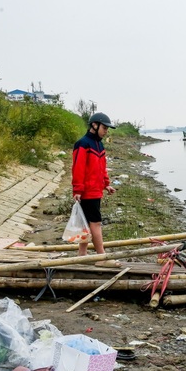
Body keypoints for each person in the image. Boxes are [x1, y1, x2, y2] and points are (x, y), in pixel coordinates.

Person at [72, 112, 118, 265]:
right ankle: (101, 258)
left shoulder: (99, 145)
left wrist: (106, 184)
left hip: (96, 190)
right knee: (95, 224)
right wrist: (77, 190)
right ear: (94, 125)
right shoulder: (83, 144)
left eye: (107, 129)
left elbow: (102, 168)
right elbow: (77, 169)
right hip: (87, 192)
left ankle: (82, 254)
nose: (106, 131)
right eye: (104, 128)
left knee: (86, 224)